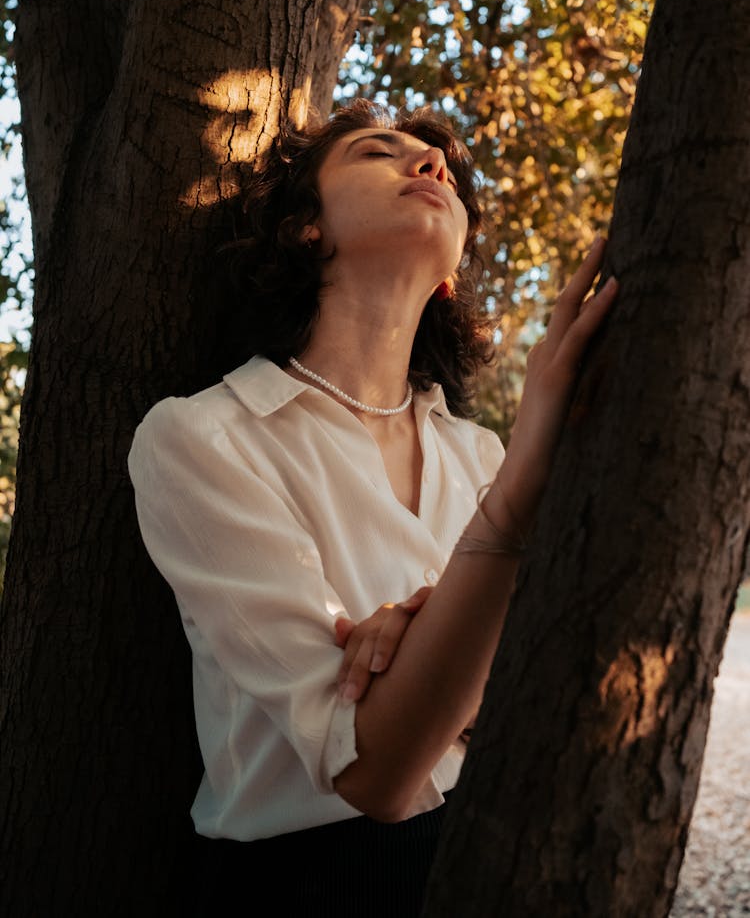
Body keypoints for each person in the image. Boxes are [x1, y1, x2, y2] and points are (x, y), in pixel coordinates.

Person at [127, 98, 617, 916]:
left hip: (482, 856)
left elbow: (544, 699)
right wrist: (499, 539)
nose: (431, 166)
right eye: (378, 153)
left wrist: (428, 634)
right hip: (297, 887)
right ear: (303, 228)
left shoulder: (480, 455)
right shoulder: (202, 437)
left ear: (452, 271)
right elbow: (372, 770)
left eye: (446, 172)